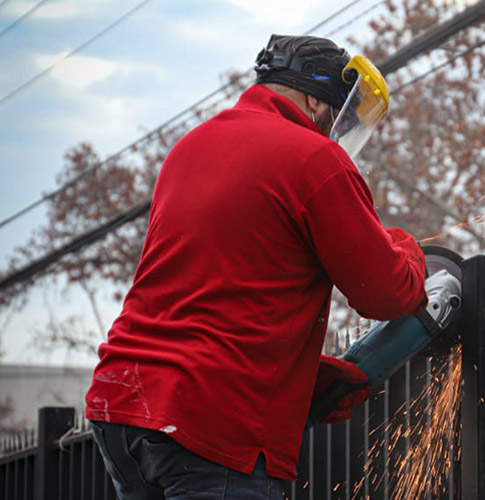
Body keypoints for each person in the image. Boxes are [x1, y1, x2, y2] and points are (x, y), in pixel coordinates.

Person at [85, 34, 427, 499]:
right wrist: (407, 248)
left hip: (123, 403)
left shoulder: (190, 148)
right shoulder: (314, 159)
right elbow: (384, 292)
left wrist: (297, 377)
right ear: (314, 98)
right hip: (211, 424)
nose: (337, 131)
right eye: (338, 113)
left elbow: (215, 292)